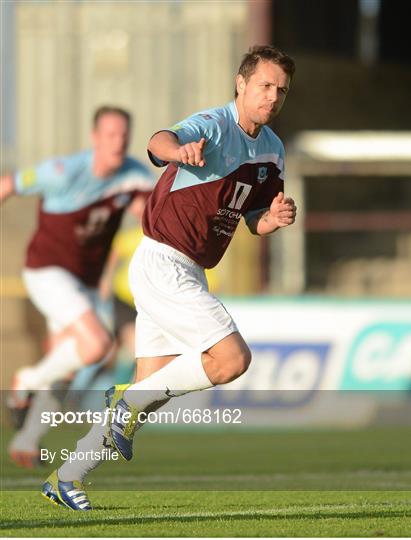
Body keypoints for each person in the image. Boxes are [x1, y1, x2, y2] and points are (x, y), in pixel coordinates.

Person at [41, 45, 296, 510]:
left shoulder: (273, 151)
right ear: (241, 84)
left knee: (147, 394)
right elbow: (159, 140)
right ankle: (124, 403)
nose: (272, 96)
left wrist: (272, 217)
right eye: (264, 85)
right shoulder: (215, 125)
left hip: (190, 270)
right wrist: (177, 150)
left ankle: (66, 475)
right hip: (162, 261)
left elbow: (254, 219)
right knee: (230, 359)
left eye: (280, 90)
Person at [1, 106, 156, 468]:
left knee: (68, 366)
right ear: (94, 138)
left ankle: (26, 441)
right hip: (47, 271)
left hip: (85, 281)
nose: (117, 143)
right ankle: (26, 378)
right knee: (98, 343)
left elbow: (149, 214)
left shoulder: (133, 175)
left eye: (123, 136)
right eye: (110, 135)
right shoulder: (62, 171)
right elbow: (10, 184)